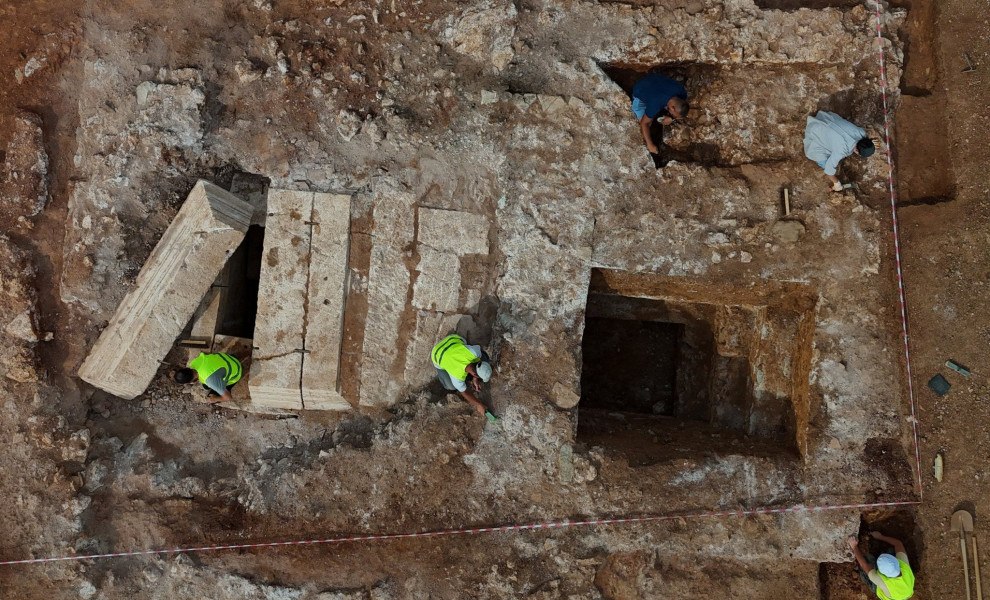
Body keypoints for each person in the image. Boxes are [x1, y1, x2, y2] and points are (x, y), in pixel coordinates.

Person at [804, 111, 875, 191]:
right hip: (814, 132)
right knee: (824, 163)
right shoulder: (842, 150)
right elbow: (829, 170)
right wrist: (836, 183)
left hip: (825, 118)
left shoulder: (861, 132)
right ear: (856, 150)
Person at [431, 334, 493, 418]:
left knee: (484, 356)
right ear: (475, 374)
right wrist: (478, 404)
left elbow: (481, 356)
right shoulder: (456, 376)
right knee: (450, 386)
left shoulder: (473, 352)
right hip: (436, 353)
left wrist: (475, 379)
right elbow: (464, 392)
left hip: (452, 339)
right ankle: (442, 376)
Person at [631, 73, 690, 159]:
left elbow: (679, 110)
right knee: (645, 123)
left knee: (659, 109)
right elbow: (644, 123)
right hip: (640, 90)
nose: (672, 116)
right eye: (673, 115)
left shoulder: (682, 92)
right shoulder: (655, 104)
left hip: (654, 79)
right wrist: (650, 145)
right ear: (672, 108)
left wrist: (672, 118)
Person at [847, 531, 916, 600]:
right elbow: (898, 543)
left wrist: (854, 547)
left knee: (867, 559)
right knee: (891, 550)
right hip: (907, 592)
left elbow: (864, 565)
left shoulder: (881, 581)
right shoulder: (904, 566)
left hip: (890, 595)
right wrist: (880, 536)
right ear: (896, 561)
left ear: (881, 573)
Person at [174, 351, 243, 403]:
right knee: (205, 386)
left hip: (236, 371)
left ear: (190, 382)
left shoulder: (210, 380)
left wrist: (215, 399)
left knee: (210, 395)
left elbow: (228, 397)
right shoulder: (195, 362)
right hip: (230, 359)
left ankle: (227, 386)